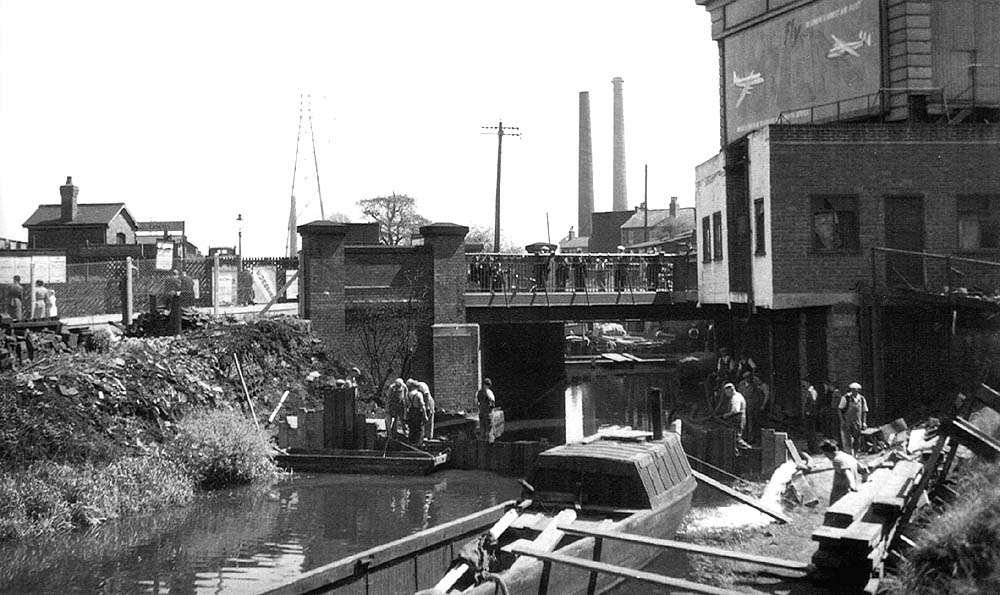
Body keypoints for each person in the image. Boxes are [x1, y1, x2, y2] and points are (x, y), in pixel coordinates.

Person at [819, 439, 860, 505]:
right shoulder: (848, 456)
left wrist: (852, 486)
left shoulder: (837, 460)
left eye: (825, 454)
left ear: (827, 452)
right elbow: (863, 469)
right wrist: (865, 479)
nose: (826, 457)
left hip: (841, 494)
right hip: (850, 494)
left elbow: (847, 472)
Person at [838, 382, 869, 456]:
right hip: (847, 422)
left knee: (857, 439)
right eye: (853, 390)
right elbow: (839, 409)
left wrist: (864, 422)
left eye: (856, 390)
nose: (854, 391)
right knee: (848, 439)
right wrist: (842, 420)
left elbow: (865, 411)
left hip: (857, 422)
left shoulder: (861, 399)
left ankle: (855, 454)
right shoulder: (846, 398)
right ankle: (849, 454)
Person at [720, 382, 749, 447]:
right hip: (739, 420)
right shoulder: (739, 395)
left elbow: (735, 410)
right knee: (735, 439)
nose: (726, 394)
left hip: (737, 421)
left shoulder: (735, 398)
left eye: (726, 392)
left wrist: (726, 415)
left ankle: (749, 449)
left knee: (736, 439)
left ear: (731, 390)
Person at [405, 379, 428, 445]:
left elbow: (405, 406)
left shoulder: (407, 395)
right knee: (419, 429)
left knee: (412, 429)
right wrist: (425, 415)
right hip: (417, 412)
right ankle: (418, 444)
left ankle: (410, 444)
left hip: (410, 412)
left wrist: (406, 416)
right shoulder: (418, 394)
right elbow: (422, 406)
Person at [801, 379, 819, 452]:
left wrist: (809, 411)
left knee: (811, 432)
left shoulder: (812, 392)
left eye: (804, 383)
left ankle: (813, 448)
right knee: (808, 432)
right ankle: (810, 447)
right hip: (809, 414)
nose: (803, 385)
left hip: (810, 415)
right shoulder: (808, 392)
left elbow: (813, 402)